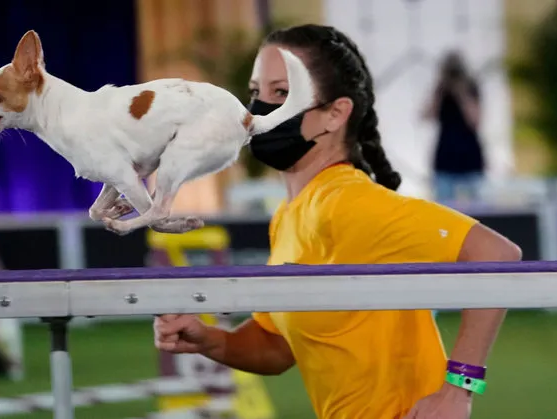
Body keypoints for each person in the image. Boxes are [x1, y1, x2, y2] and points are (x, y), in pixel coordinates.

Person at [154, 24, 521, 419]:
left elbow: (497, 253)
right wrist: (208, 340)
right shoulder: (290, 216)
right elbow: (278, 347)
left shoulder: (348, 201)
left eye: (282, 93)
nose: (258, 109)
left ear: (335, 114)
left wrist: (459, 389)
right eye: (256, 92)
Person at [422, 51, 485, 204]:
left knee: (476, 207)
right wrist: (439, 91)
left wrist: (461, 93)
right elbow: (427, 115)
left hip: (469, 155)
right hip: (446, 156)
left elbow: (475, 121)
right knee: (444, 206)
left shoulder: (470, 88)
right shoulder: (441, 90)